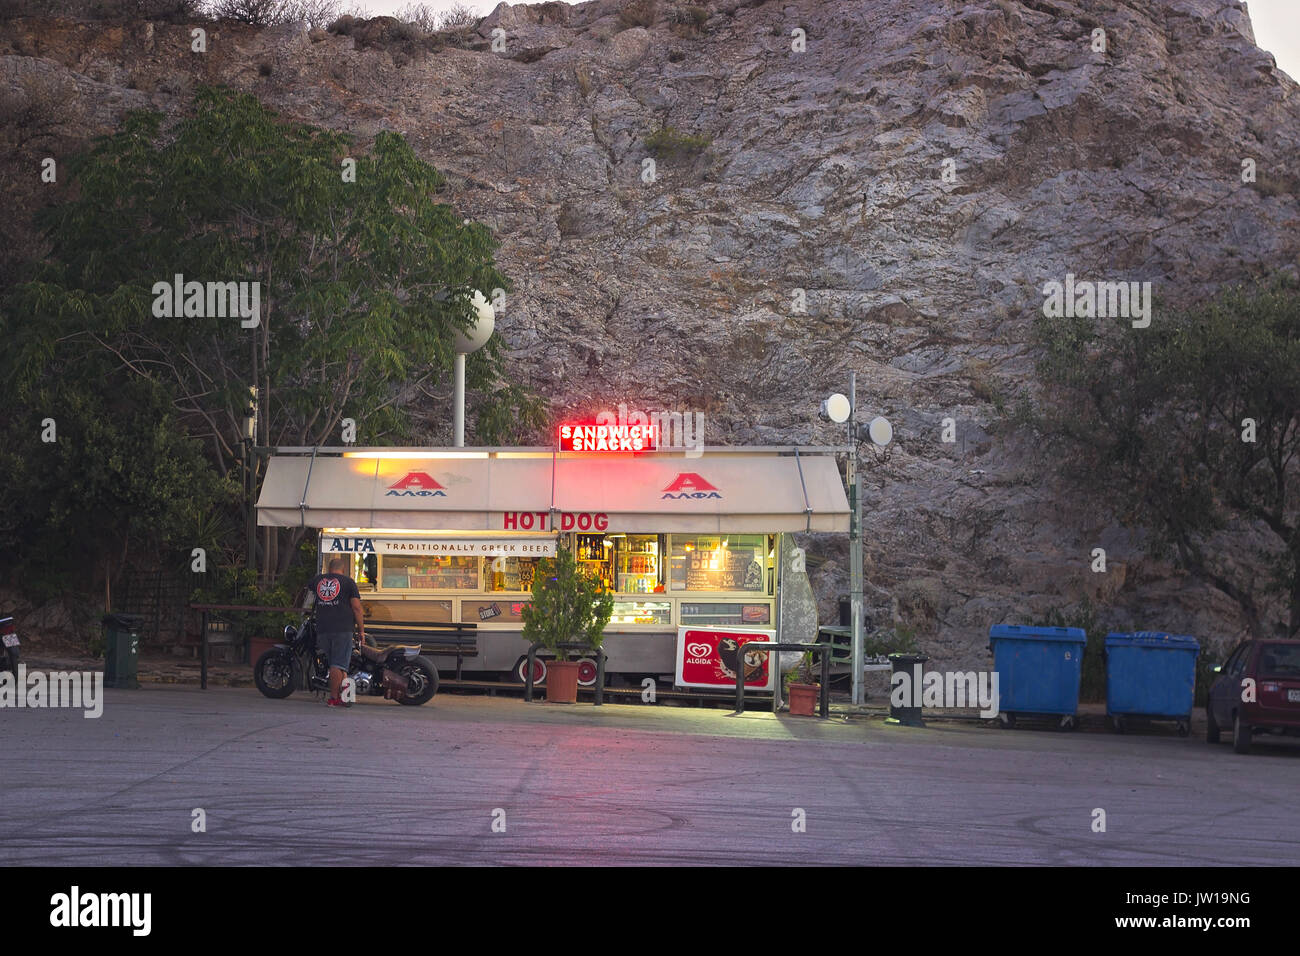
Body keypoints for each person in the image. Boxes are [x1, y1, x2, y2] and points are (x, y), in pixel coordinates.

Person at [306, 556, 365, 708]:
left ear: (328, 569)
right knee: (337, 664)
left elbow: (308, 595)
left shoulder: (318, 581)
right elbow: (357, 608)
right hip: (342, 629)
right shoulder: (348, 583)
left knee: (337, 664)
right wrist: (361, 631)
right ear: (343, 569)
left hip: (323, 629)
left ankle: (346, 697)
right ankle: (334, 698)